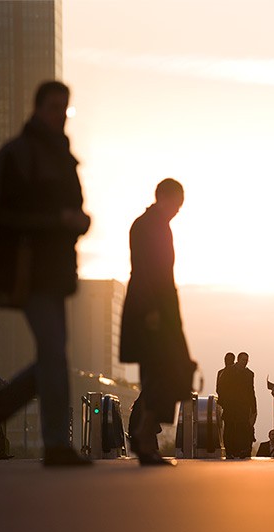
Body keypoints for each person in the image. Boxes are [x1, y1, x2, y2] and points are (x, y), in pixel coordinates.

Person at [0, 81, 91, 466]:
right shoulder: (17, 154)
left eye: (64, 108)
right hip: (28, 269)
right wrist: (53, 221)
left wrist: (78, 221)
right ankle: (55, 444)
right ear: (37, 108)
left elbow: (74, 209)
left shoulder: (62, 156)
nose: (59, 113)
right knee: (53, 354)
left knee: (51, 359)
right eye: (54, 106)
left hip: (55, 271)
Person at [120, 178, 195, 466]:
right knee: (164, 370)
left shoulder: (157, 225)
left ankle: (143, 434)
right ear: (164, 197)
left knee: (165, 371)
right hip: (152, 309)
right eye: (176, 204)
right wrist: (153, 310)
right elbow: (146, 270)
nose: (177, 211)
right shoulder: (148, 226)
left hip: (160, 308)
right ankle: (142, 435)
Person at [218, 352, 257, 459]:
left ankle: (241, 450)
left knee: (242, 428)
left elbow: (251, 391)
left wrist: (254, 407)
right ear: (238, 360)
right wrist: (224, 401)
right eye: (243, 360)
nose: (245, 363)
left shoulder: (249, 374)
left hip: (243, 405)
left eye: (246, 360)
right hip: (230, 405)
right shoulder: (228, 371)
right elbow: (221, 387)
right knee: (229, 427)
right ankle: (229, 451)